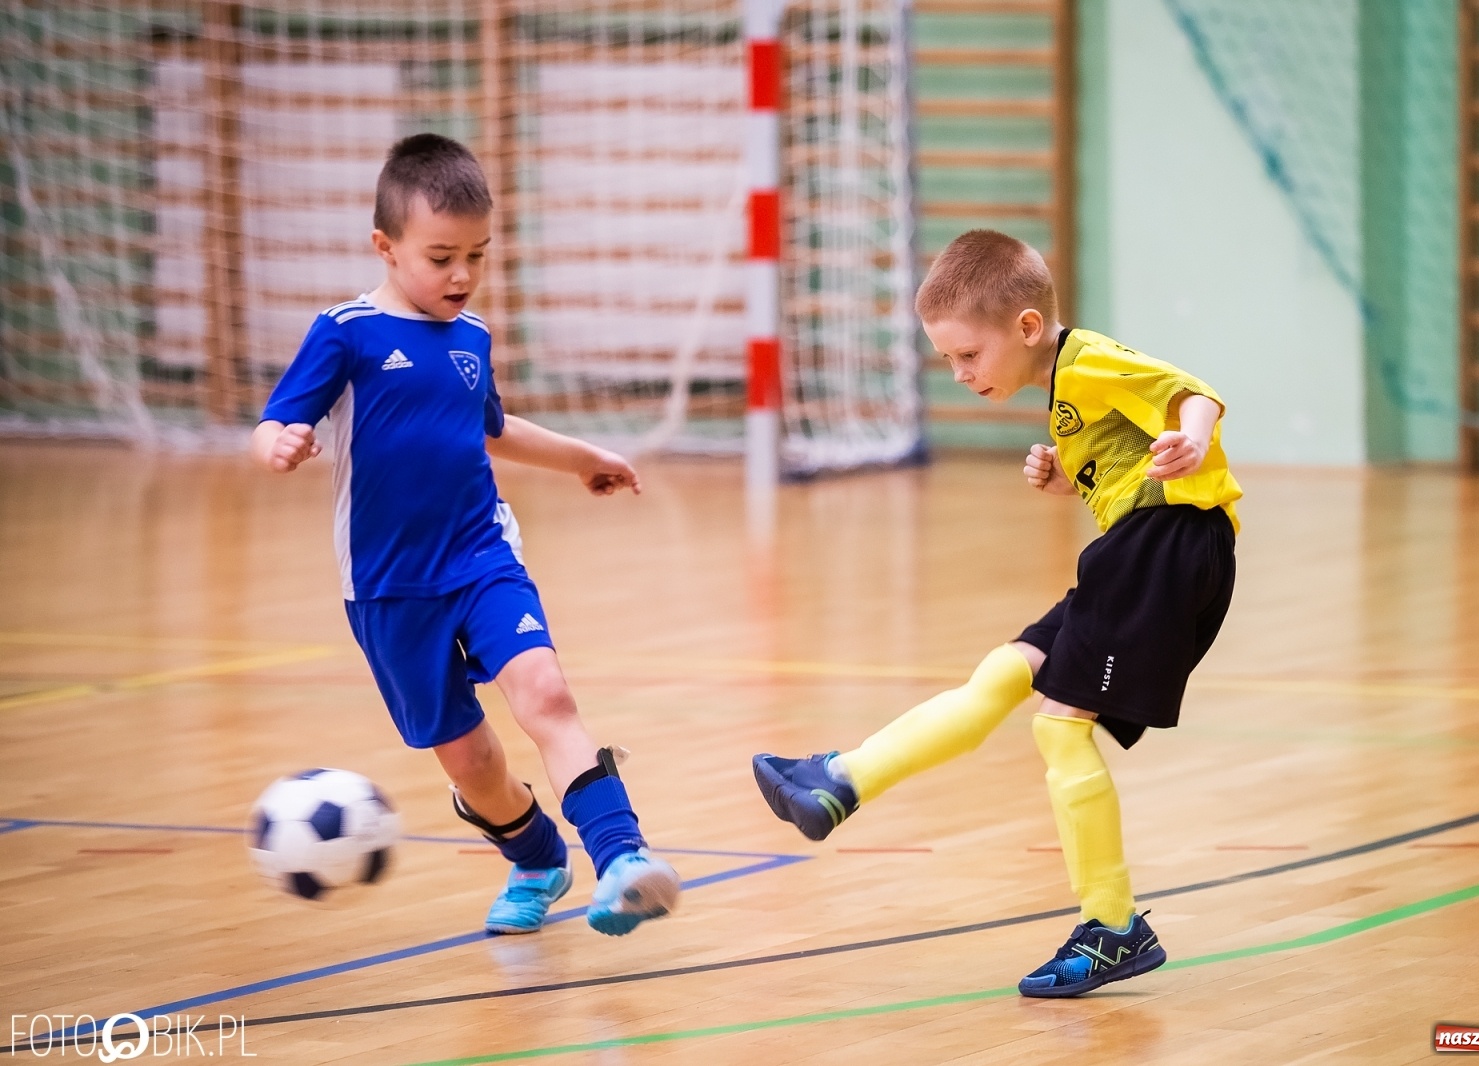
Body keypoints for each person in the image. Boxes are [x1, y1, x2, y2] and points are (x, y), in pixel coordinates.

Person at [752, 229, 1241, 995]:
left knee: (1060, 725)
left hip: (1165, 546)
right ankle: (841, 780)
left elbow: (1192, 394)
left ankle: (1113, 925)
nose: (959, 373)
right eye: (948, 360)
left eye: (968, 355)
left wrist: (1191, 437)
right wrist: (1065, 475)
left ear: (1027, 327)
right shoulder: (1065, 392)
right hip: (1139, 548)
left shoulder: (1088, 360)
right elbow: (1121, 463)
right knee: (1006, 672)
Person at [253, 132, 679, 937]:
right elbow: (275, 420)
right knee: (473, 762)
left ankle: (623, 860)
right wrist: (278, 444)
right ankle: (538, 859)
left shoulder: (472, 338)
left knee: (546, 694)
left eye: (477, 256)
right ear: (385, 247)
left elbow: (492, 429)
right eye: (441, 257)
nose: (462, 275)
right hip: (388, 586)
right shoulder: (345, 332)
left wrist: (583, 457)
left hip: (482, 555)